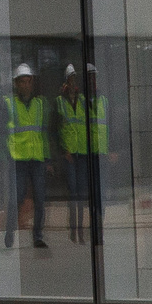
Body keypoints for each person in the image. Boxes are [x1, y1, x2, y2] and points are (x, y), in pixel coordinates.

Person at [1, 65, 51, 250]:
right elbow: (2, 133)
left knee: (40, 198)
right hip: (18, 159)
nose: (26, 85)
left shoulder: (39, 104)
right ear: (16, 84)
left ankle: (38, 236)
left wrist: (47, 159)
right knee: (17, 198)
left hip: (36, 158)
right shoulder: (8, 103)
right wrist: (6, 155)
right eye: (22, 81)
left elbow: (43, 132)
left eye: (28, 81)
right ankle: (10, 232)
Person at [58, 64, 108, 245]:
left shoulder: (98, 100)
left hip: (95, 153)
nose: (92, 81)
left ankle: (96, 230)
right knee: (80, 192)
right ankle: (80, 229)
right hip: (81, 154)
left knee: (96, 194)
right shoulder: (77, 100)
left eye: (94, 77)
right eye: (89, 78)